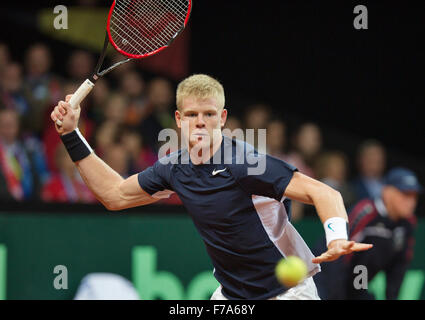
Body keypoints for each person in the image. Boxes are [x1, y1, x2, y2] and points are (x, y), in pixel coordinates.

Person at [51, 74, 372, 300]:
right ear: (178, 119)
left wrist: (337, 238)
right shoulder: (173, 168)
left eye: (208, 114)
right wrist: (70, 134)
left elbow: (324, 193)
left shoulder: (247, 162)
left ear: (222, 117)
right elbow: (114, 196)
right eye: (192, 114)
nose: (200, 122)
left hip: (289, 293)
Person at [314, 167, 421, 300]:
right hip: (324, 274)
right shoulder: (365, 212)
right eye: (405, 194)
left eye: (414, 196)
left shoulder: (408, 224)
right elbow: (338, 258)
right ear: (387, 193)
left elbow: (398, 268)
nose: (411, 202)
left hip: (359, 278)